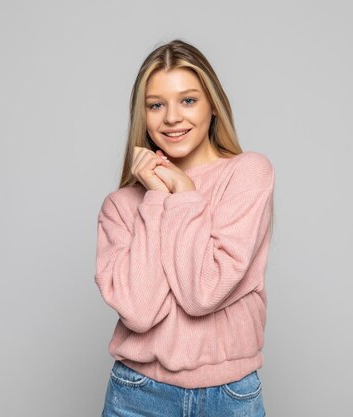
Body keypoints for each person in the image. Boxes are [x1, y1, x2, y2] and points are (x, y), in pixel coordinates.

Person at [95, 39, 275, 416]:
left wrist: (186, 195)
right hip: (137, 395)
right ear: (142, 116)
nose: (172, 117)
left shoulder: (247, 174)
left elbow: (202, 292)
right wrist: (158, 197)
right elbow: (140, 311)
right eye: (156, 105)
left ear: (213, 106)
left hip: (231, 396)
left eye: (188, 100)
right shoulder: (121, 206)